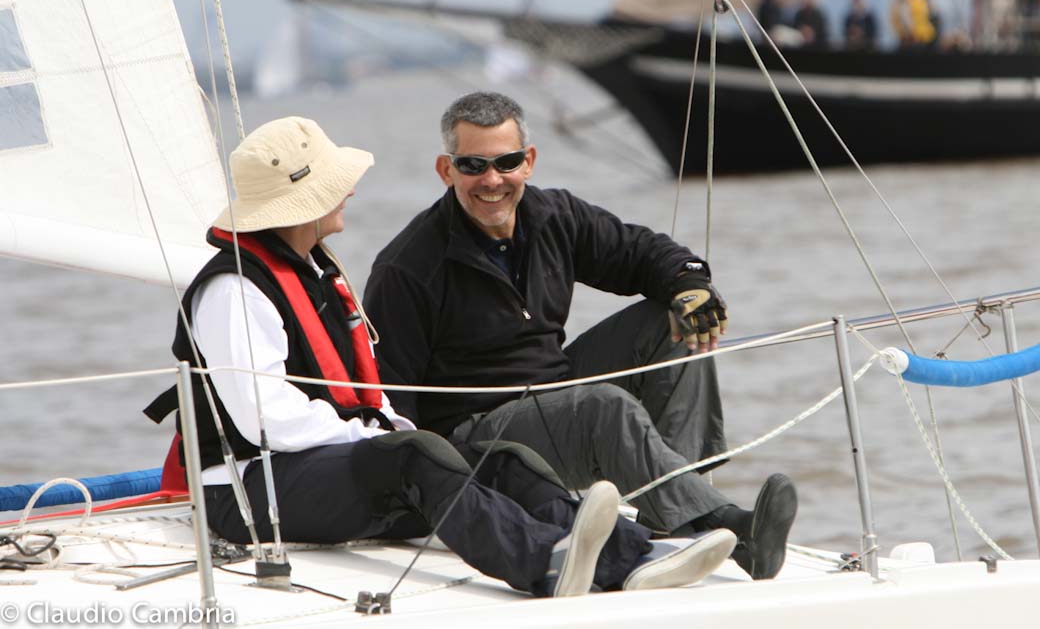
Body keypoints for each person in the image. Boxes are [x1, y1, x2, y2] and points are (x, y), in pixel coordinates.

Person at [143, 116, 736, 598]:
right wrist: (380, 436)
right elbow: (265, 419)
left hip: (320, 464)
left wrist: (389, 431)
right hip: (249, 490)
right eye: (335, 184)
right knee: (416, 456)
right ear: (303, 200)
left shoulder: (310, 270)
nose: (350, 190)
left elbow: (365, 396)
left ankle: (634, 557)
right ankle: (544, 565)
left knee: (501, 461)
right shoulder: (235, 290)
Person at [364, 92, 798, 580]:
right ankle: (732, 531)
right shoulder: (407, 267)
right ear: (447, 170)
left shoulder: (555, 216)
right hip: (481, 441)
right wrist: (435, 500)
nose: (492, 180)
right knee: (601, 406)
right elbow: (392, 403)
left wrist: (689, 282)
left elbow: (640, 251)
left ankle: (674, 514)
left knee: (671, 321)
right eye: (473, 165)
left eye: (506, 162)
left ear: (528, 161)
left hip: (555, 394)